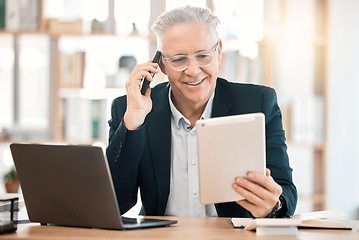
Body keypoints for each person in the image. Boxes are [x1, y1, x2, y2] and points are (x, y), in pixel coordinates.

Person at [106, 5, 297, 218]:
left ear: (219, 52)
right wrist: (133, 121)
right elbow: (115, 202)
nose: (193, 70)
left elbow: (286, 191)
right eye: (179, 59)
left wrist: (273, 207)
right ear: (161, 65)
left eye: (203, 56)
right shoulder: (130, 109)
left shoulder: (259, 103)